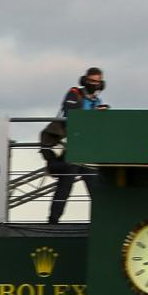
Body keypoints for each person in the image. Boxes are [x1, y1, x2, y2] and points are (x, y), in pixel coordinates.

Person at [42, 67, 106, 224]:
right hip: (71, 149)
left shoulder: (97, 102)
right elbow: (71, 114)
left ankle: (102, 222)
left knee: (96, 188)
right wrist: (93, 115)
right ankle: (53, 221)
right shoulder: (74, 93)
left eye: (97, 82)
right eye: (91, 81)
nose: (94, 84)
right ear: (84, 80)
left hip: (88, 151)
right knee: (65, 185)